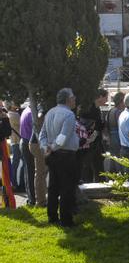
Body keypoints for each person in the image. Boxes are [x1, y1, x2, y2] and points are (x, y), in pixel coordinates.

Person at [38, 88, 79, 227]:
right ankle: (66, 220)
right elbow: (63, 137)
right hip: (65, 155)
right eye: (73, 97)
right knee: (67, 188)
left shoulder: (50, 112)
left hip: (52, 155)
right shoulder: (69, 115)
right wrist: (52, 147)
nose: (75, 100)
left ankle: (52, 216)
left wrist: (46, 148)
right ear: (68, 99)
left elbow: (42, 134)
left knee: (53, 187)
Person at [78, 89, 108, 183]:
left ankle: (100, 183)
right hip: (88, 142)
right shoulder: (89, 108)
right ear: (100, 97)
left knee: (98, 164)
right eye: (105, 97)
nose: (106, 100)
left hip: (96, 142)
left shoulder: (97, 108)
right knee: (88, 166)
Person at [18, 103, 38, 206]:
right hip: (28, 143)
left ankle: (31, 198)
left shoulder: (26, 111)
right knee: (32, 172)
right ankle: (33, 199)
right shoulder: (31, 113)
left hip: (24, 141)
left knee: (28, 172)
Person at [107, 91, 126, 158]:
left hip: (111, 137)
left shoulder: (111, 110)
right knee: (119, 158)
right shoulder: (119, 112)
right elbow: (121, 127)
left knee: (113, 158)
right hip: (118, 137)